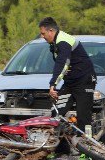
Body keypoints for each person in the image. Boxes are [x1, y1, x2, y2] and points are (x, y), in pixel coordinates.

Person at [39, 17, 97, 153]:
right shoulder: (54, 43)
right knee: (56, 114)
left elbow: (62, 63)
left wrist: (53, 84)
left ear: (51, 31)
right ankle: (57, 148)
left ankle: (88, 150)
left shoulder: (63, 41)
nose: (42, 36)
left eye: (43, 33)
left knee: (84, 117)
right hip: (71, 82)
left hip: (85, 80)